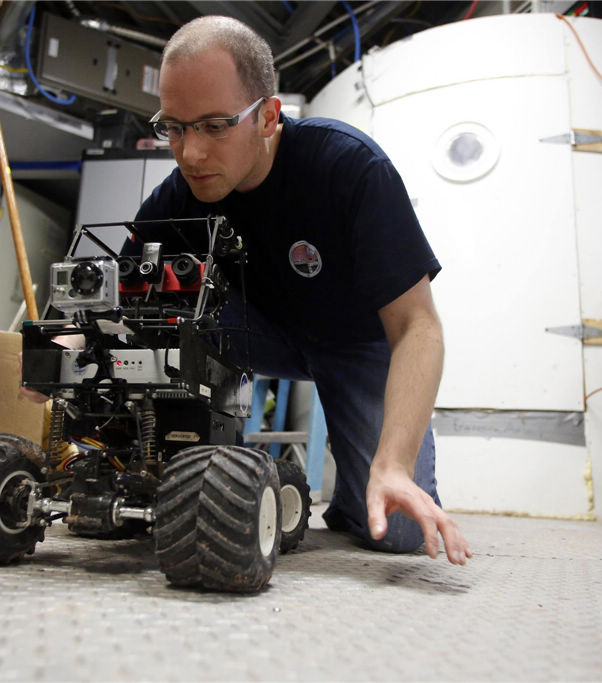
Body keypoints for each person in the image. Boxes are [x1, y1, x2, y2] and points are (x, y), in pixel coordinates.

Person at [131, 15, 472, 565]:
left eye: (215, 125)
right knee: (168, 294)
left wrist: (393, 464)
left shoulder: (349, 167)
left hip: (354, 343)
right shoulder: (179, 197)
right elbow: (118, 299)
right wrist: (67, 359)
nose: (190, 153)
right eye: (175, 127)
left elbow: (418, 326)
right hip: (255, 334)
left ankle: (357, 494)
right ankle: (190, 467)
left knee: (399, 533)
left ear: (268, 117)